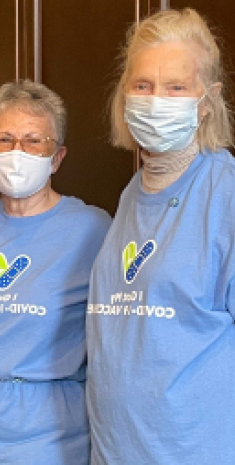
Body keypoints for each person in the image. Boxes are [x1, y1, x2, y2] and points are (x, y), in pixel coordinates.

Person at [86, 8, 235, 463]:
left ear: (206, 100)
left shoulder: (225, 192)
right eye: (143, 85)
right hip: (114, 450)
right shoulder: (134, 190)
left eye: (176, 87)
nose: (156, 100)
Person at [0, 80, 110, 465]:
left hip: (47, 446)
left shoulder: (92, 230)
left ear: (58, 157)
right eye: (4, 139)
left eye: (35, 140)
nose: (18, 151)